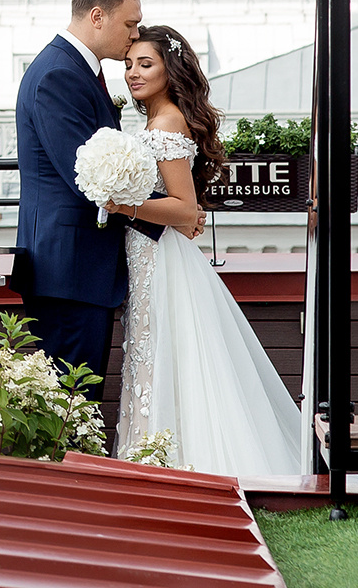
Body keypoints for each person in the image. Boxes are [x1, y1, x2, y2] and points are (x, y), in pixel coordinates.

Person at [114, 24, 308, 474]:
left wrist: (118, 201)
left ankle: (167, 461)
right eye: (128, 65)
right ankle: (151, 457)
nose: (133, 74)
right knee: (151, 351)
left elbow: (184, 208)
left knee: (165, 351)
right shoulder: (155, 119)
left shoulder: (166, 123)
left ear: (170, 68)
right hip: (147, 253)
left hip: (161, 258)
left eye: (146, 64)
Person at [11, 0, 201, 387]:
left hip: (78, 268)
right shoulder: (60, 75)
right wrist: (173, 212)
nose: (133, 36)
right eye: (130, 24)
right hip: (70, 269)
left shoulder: (74, 69)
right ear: (98, 16)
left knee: (76, 401)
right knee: (72, 403)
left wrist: (177, 209)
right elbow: (89, 178)